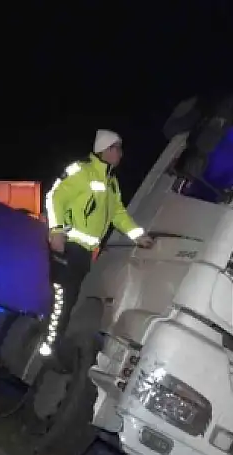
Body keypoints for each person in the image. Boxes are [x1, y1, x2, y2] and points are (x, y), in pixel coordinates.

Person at [38, 129, 154, 358]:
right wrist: (56, 231)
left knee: (70, 299)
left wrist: (138, 236)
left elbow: (118, 214)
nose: (121, 153)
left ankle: (53, 341)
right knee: (64, 296)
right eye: (117, 148)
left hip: (85, 254)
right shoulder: (82, 171)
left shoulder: (111, 183)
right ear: (106, 149)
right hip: (69, 246)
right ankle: (49, 346)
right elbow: (55, 197)